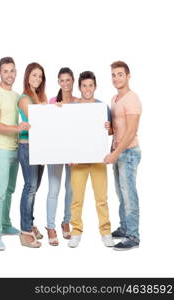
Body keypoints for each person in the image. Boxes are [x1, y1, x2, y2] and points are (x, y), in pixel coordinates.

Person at [0, 57, 30, 251]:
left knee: (10, 190)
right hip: (1, 150)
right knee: (0, 193)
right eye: (5, 71)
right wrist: (17, 129)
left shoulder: (16, 95)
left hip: (15, 149)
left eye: (12, 71)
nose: (9, 74)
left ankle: (4, 224)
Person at [68, 71, 114, 248]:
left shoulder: (102, 107)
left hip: (98, 159)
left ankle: (106, 232)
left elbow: (110, 132)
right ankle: (76, 232)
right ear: (80, 87)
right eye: (84, 85)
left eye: (90, 85)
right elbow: (68, 134)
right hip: (78, 160)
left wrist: (108, 127)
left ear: (95, 87)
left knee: (101, 198)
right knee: (77, 199)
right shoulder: (73, 107)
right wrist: (69, 155)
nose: (87, 89)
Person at [104, 61, 142, 251]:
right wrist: (109, 128)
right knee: (120, 193)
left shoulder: (132, 99)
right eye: (113, 75)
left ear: (128, 76)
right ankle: (125, 227)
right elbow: (117, 129)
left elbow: (131, 131)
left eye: (120, 74)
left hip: (128, 152)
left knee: (129, 194)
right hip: (118, 152)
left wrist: (116, 153)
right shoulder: (115, 99)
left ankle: (133, 236)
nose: (116, 78)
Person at [46, 68, 78, 246]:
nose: (65, 84)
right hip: (55, 151)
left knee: (70, 189)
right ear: (59, 82)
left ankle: (66, 221)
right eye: (62, 81)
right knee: (54, 190)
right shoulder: (53, 101)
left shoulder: (78, 102)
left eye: (68, 80)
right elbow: (47, 126)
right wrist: (54, 110)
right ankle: (50, 226)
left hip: (73, 152)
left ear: (73, 81)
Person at [17, 62, 47, 248]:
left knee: (34, 189)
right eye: (34, 75)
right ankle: (24, 231)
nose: (37, 79)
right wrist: (48, 108)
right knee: (30, 187)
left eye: (40, 76)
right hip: (27, 147)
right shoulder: (24, 98)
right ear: (27, 76)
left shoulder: (39, 96)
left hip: (42, 147)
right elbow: (38, 119)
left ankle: (30, 222)